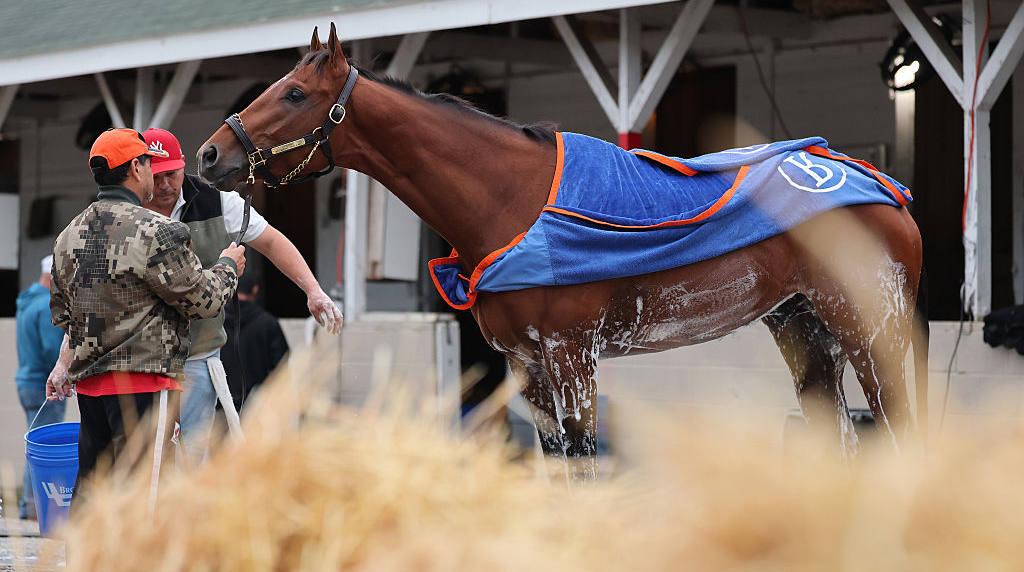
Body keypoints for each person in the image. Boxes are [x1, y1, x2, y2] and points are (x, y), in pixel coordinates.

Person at [46, 128, 245, 507]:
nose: (156, 174)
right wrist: (227, 267)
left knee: (92, 494)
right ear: (136, 168)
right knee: (143, 501)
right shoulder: (159, 231)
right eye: (150, 165)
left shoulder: (68, 235)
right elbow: (202, 301)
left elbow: (63, 314)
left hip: (89, 390)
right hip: (144, 389)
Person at [139, 127, 341, 468]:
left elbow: (274, 242)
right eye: (156, 176)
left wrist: (313, 290)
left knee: (194, 459)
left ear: (183, 164)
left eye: (171, 173)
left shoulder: (217, 201)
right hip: (139, 358)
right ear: (139, 171)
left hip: (197, 354)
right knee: (143, 458)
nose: (164, 185)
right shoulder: (126, 208)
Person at [15, 254, 67, 519]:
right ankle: (34, 507)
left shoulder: (25, 303)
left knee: (33, 442)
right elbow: (50, 349)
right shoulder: (45, 306)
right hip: (42, 384)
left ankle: (29, 505)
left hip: (25, 382)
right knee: (42, 450)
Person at [221, 271, 289, 412]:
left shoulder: (216, 323)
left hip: (221, 404)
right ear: (255, 290)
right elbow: (282, 367)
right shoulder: (268, 323)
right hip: (258, 407)